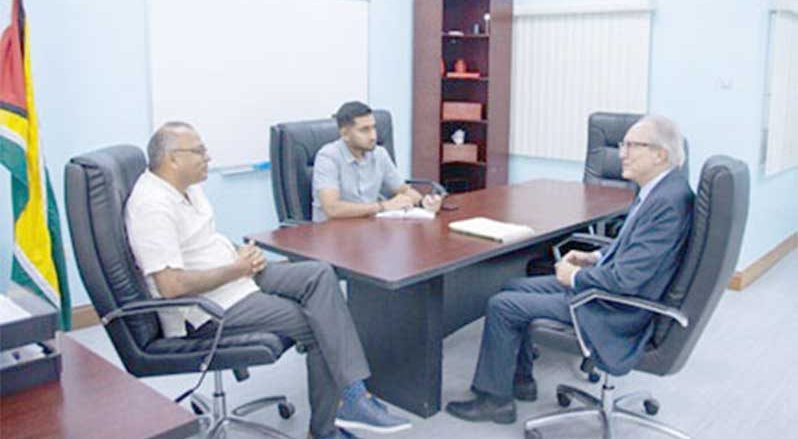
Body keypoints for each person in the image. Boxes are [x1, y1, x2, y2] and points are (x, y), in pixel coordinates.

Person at [125, 122, 412, 439]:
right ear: (172, 159)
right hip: (210, 307)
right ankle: (331, 423)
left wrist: (241, 254)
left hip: (234, 275)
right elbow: (171, 286)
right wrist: (238, 268)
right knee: (320, 324)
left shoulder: (187, 188)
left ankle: (352, 395)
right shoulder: (152, 206)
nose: (208, 157)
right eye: (199, 151)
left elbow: (201, 244)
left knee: (319, 272)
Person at [445, 115, 694, 424]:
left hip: (615, 307)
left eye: (632, 146)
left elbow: (628, 278)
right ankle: (519, 381)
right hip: (611, 289)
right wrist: (595, 257)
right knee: (513, 287)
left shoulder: (667, 202)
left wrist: (574, 276)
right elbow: (636, 252)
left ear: (660, 154)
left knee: (502, 305)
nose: (621, 153)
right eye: (622, 145)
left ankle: (495, 401)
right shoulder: (662, 190)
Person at [312, 101, 442, 222]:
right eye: (365, 130)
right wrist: (383, 206)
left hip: (368, 230)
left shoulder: (379, 154)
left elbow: (403, 190)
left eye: (373, 128)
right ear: (345, 134)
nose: (373, 136)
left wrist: (423, 202)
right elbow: (332, 209)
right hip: (331, 235)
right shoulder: (328, 157)